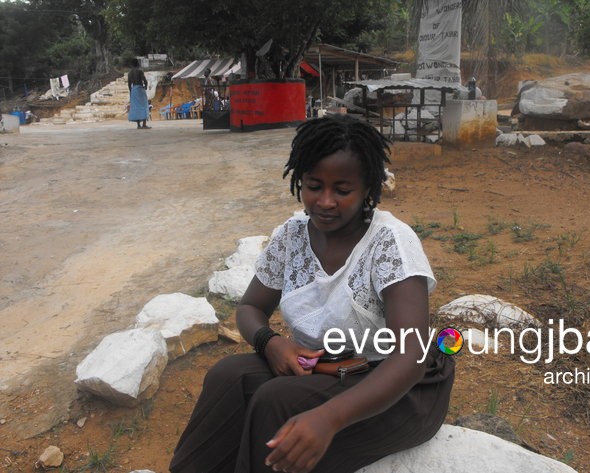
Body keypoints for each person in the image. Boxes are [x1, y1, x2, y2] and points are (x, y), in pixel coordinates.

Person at [169, 114, 455, 473]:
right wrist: (270, 342)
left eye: (342, 190)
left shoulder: (389, 242)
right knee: (227, 377)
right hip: (325, 370)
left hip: (399, 389)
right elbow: (250, 307)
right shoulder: (292, 236)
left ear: (368, 188)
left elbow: (411, 354)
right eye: (314, 186)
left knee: (276, 401)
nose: (325, 201)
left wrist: (329, 419)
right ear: (299, 181)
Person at [127, 58, 151, 129]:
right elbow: (145, 81)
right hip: (140, 89)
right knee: (144, 106)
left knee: (136, 107)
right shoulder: (140, 71)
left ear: (132, 64)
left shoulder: (130, 73)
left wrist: (131, 93)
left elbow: (129, 84)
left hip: (134, 90)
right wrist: (145, 87)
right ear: (138, 63)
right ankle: (144, 124)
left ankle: (138, 125)